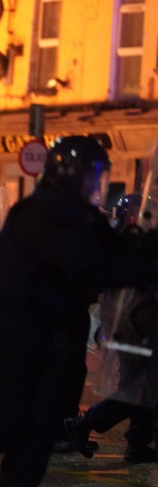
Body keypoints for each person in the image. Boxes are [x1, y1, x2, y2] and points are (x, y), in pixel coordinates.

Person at [0, 136, 157, 487]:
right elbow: (93, 265)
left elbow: (111, 249)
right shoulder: (46, 211)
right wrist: (139, 263)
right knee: (8, 418)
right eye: (92, 175)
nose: (97, 184)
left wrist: (144, 246)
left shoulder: (76, 214)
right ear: (70, 174)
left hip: (36, 332)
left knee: (38, 430)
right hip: (3, 332)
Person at [64, 193, 157, 463]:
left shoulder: (120, 238)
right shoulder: (133, 240)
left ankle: (137, 442)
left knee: (140, 382)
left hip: (128, 321)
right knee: (143, 385)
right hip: (138, 322)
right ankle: (85, 423)